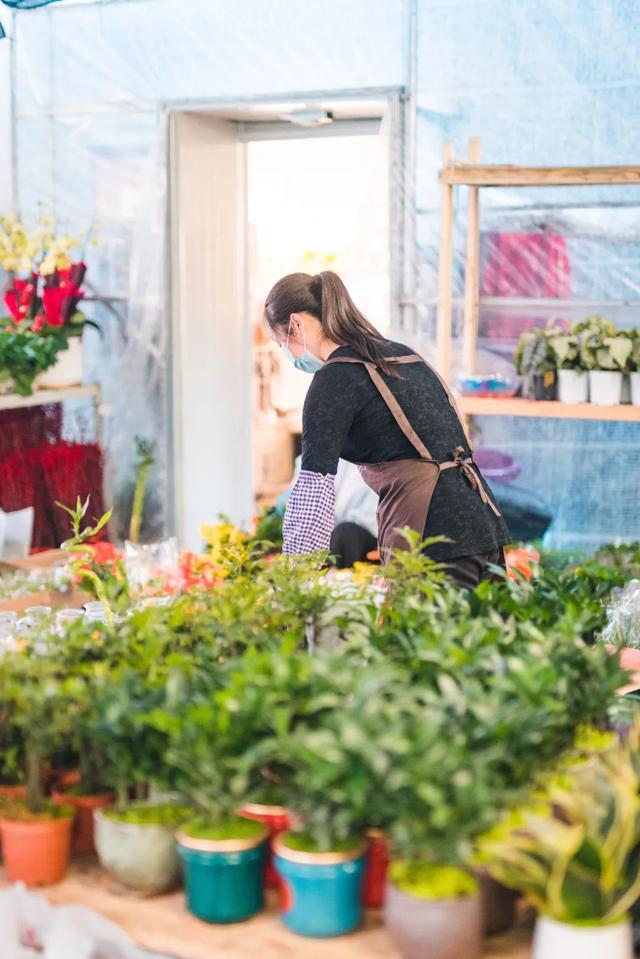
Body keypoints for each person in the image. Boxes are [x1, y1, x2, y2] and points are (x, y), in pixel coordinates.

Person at [264, 271, 510, 589]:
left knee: (424, 639)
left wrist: (295, 582)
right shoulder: (400, 354)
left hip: (432, 541)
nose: (287, 355)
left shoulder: (335, 378)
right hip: (483, 525)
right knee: (490, 636)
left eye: (280, 343)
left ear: (296, 324)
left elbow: (314, 488)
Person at [277, 458, 379, 568]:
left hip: (362, 534)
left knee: (344, 534)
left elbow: (369, 516)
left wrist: (326, 519)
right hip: (328, 525)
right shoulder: (333, 456)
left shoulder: (375, 462)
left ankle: (336, 578)